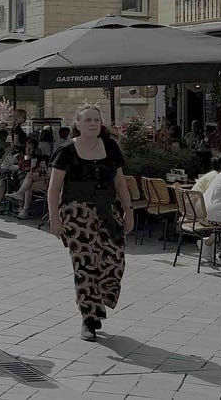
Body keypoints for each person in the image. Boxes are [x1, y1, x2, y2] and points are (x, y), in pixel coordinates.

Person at [47, 104, 133, 342]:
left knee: (114, 259)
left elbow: (120, 182)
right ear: (78, 124)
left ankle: (99, 300)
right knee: (85, 264)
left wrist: (129, 209)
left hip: (108, 211)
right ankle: (89, 318)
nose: (93, 124)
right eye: (88, 120)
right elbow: (54, 189)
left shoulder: (111, 148)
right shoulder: (66, 151)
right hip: (77, 214)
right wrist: (54, 218)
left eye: (96, 120)